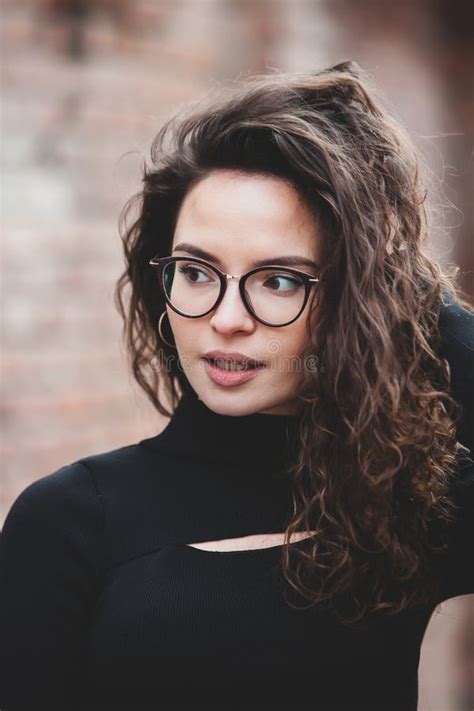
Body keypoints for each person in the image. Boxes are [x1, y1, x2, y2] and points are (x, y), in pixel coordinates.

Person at [0, 60, 473, 710]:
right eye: (197, 271)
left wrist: (392, 279)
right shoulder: (65, 522)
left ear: (349, 301)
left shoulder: (398, 503)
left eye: (278, 280)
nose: (225, 320)